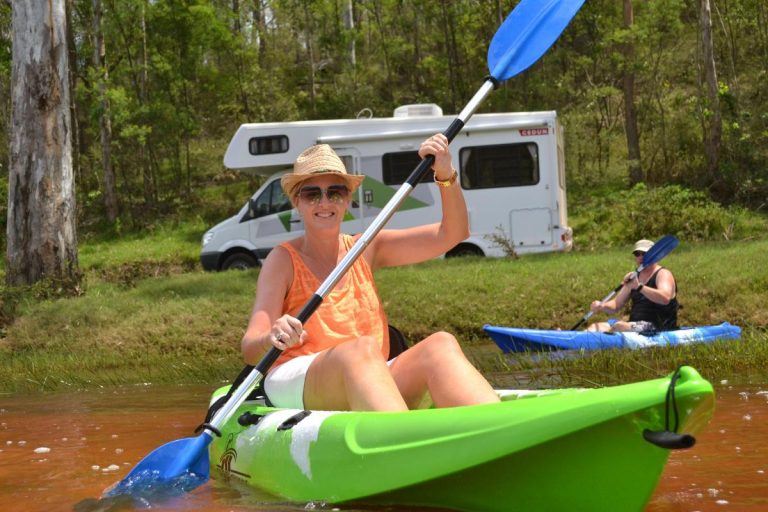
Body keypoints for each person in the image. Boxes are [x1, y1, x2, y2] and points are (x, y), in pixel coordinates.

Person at [240, 135, 500, 412]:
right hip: (297, 375)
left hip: (366, 367)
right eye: (312, 194)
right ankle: (403, 439)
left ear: (348, 199)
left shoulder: (366, 247)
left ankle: (496, 428)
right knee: (360, 350)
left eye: (335, 192)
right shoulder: (282, 260)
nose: (325, 202)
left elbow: (453, 233)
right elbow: (250, 347)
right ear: (297, 202)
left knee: (441, 345)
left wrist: (445, 174)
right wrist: (271, 337)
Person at [586, 239, 679, 333]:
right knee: (594, 327)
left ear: (654, 255)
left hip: (659, 326)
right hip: (633, 324)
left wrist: (639, 287)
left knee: (619, 326)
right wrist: (602, 305)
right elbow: (616, 305)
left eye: (644, 253)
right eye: (637, 254)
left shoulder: (663, 274)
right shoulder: (634, 277)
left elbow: (665, 298)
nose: (641, 257)